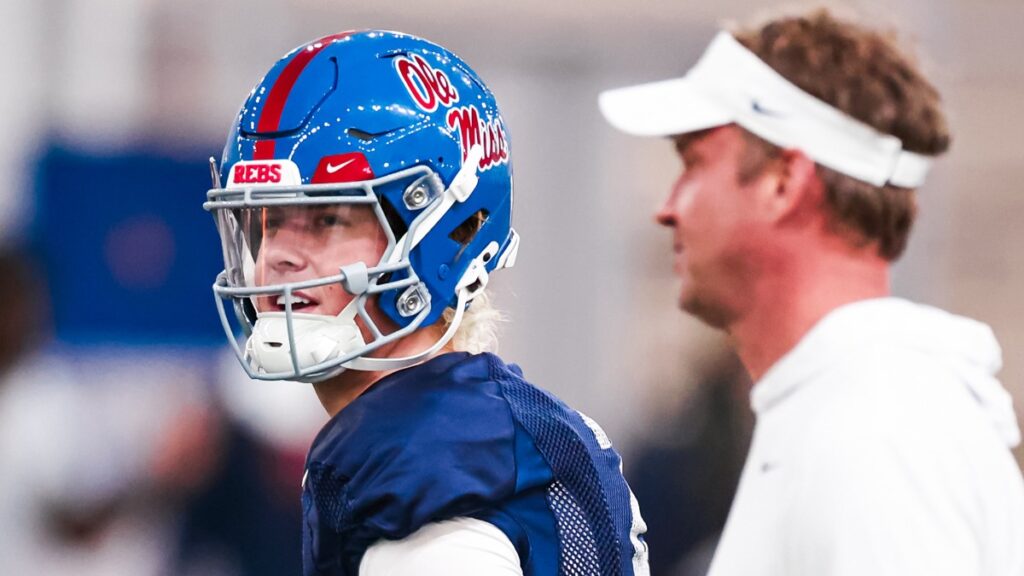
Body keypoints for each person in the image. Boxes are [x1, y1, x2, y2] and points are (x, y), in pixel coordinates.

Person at [205, 30, 649, 576]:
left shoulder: (432, 482)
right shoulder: (481, 430)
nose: (278, 258)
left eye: (326, 219)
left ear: (442, 234)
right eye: (269, 222)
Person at [598, 9, 1024, 576]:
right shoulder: (843, 407)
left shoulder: (876, 427)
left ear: (783, 182)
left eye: (694, 164)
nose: (668, 207)